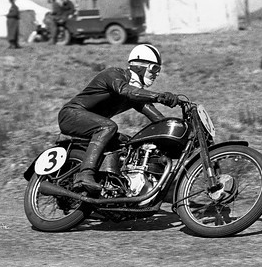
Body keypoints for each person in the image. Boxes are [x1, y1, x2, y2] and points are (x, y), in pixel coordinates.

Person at [57, 44, 180, 192]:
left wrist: (180, 129)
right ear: (139, 66)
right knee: (109, 127)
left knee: (130, 144)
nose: (156, 74)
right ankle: (85, 174)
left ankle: (115, 186)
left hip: (92, 125)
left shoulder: (136, 93)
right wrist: (159, 97)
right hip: (71, 114)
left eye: (158, 70)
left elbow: (159, 120)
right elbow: (125, 91)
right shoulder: (114, 75)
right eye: (154, 69)